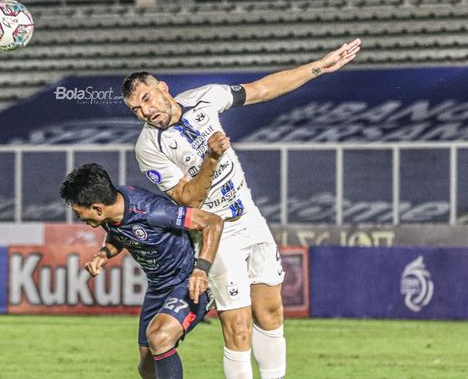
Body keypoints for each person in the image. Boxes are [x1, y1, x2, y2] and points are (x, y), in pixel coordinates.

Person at [121, 39, 361, 379]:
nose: (145, 111)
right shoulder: (149, 147)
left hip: (249, 216)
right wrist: (211, 158)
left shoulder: (206, 97)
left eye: (146, 99)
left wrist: (320, 66)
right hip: (215, 233)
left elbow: (262, 88)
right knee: (238, 328)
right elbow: (188, 200)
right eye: (136, 110)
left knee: (271, 313)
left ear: (162, 88)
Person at [60, 163, 224, 379]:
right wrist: (104, 253)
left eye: (79, 213)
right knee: (147, 369)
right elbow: (117, 230)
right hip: (158, 288)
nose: (79, 218)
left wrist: (201, 270)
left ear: (98, 208)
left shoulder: (152, 211)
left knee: (160, 337)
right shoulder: (111, 208)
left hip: (188, 281)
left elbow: (212, 222)